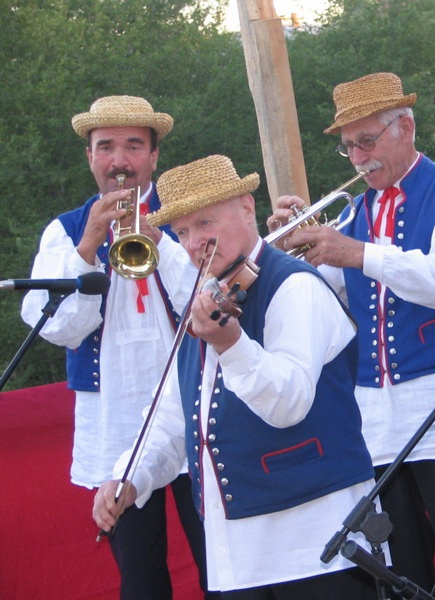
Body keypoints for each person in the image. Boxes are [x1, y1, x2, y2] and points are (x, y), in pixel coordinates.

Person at [269, 72, 435, 599]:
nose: (358, 158)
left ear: (406, 128)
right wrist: (294, 254)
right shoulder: (354, 211)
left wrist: (357, 253)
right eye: (348, 147)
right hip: (376, 419)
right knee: (400, 568)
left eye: (366, 141)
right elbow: (332, 298)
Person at [93, 154, 380, 598]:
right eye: (182, 232)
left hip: (316, 538)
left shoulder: (295, 285)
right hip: (237, 549)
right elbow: (174, 414)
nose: (194, 243)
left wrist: (232, 345)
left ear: (247, 208)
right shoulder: (204, 297)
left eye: (205, 222)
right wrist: (131, 476)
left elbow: (289, 402)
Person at [20, 95, 208, 599]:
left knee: (220, 565)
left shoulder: (187, 218)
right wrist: (87, 247)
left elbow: (209, 301)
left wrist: (162, 242)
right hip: (114, 422)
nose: (119, 161)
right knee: (141, 578)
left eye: (133, 146)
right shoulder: (64, 232)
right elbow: (58, 329)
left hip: (192, 410)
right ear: (90, 157)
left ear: (154, 157)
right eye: (105, 147)